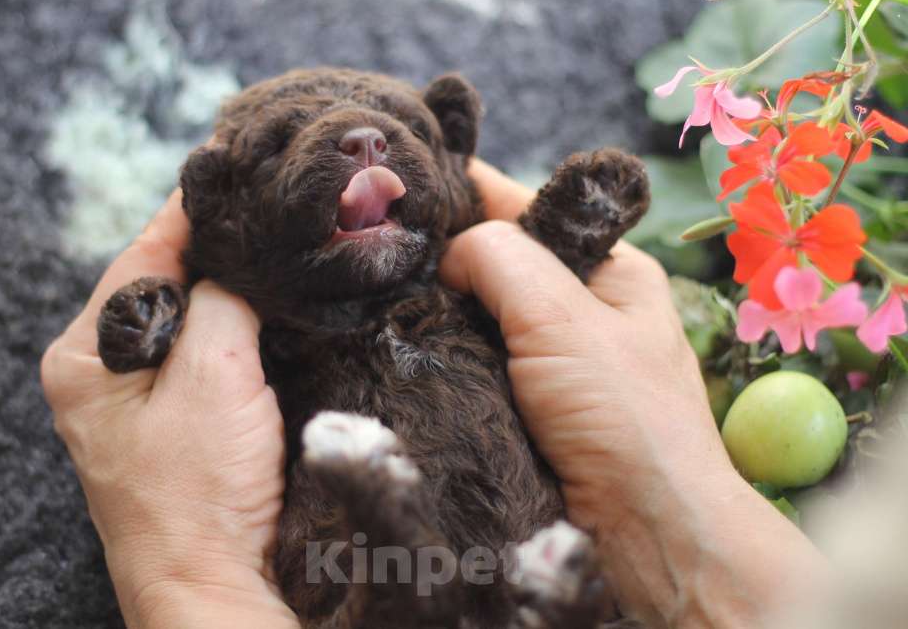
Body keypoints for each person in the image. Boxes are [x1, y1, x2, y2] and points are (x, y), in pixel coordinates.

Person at [41, 160, 827, 629]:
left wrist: (188, 580)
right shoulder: (262, 333)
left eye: (394, 134)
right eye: (287, 144)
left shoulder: (467, 289)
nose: (360, 151)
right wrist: (677, 515)